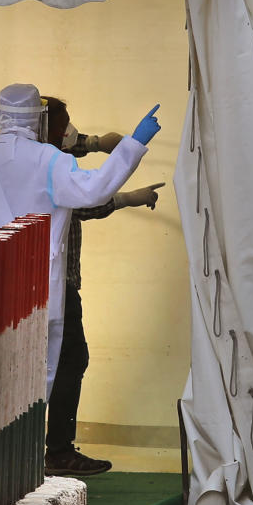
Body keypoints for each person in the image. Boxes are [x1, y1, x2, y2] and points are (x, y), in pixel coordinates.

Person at [0, 84, 160, 401]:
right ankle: (31, 449)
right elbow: (94, 190)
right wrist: (133, 144)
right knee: (33, 388)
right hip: (41, 291)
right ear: (39, 119)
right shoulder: (50, 161)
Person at [40, 97, 165, 476]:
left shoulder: (36, 154)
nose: (71, 134)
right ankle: (58, 451)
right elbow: (85, 199)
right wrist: (127, 196)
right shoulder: (45, 166)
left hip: (44, 282)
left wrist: (96, 142)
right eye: (65, 126)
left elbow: (66, 144)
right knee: (69, 360)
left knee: (52, 364)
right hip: (54, 284)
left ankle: (45, 449)